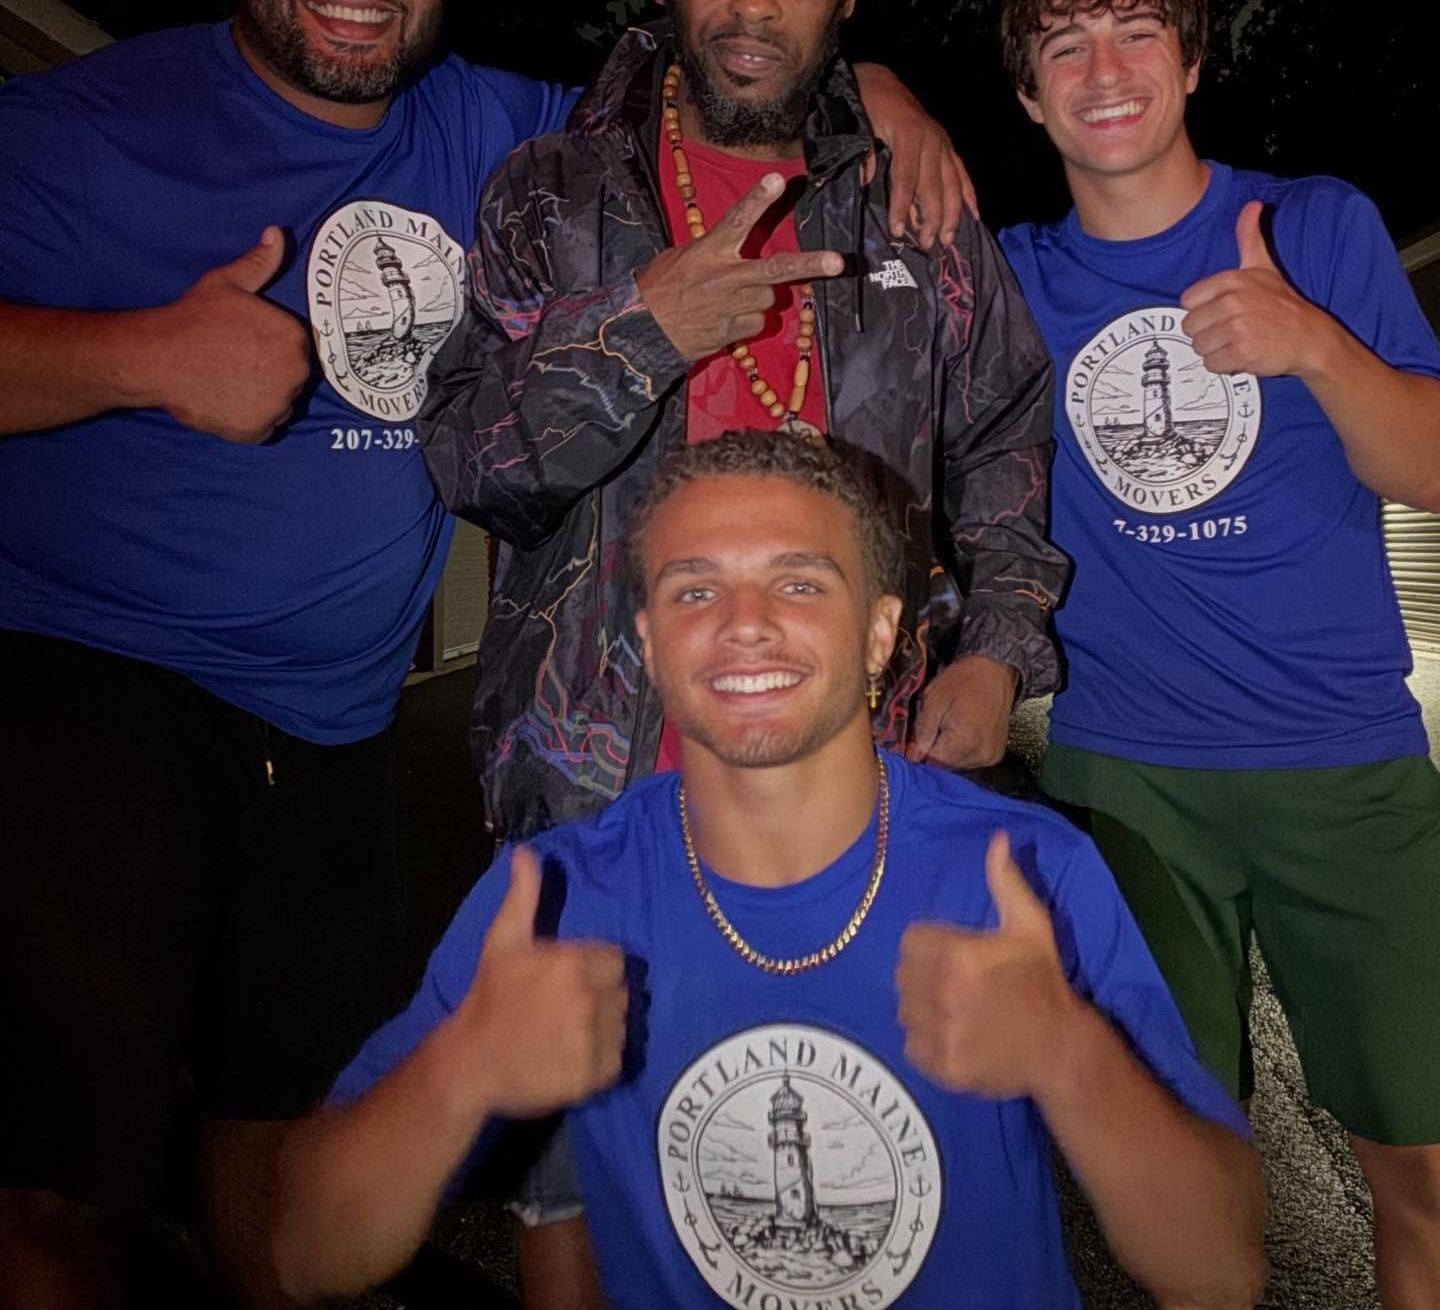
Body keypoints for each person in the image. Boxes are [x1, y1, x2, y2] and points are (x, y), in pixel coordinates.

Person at [0, 0, 964, 1310]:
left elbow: (737, 68)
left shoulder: (505, 135)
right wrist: (134, 357)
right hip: (93, 686)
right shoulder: (70, 125)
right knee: (63, 1169)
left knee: (287, 1119)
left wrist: (886, 94)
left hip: (328, 730)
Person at [274, 430, 1266, 1309]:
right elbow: (308, 1251)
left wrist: (1070, 1055)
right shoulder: (562, 893)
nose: (745, 621)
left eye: (799, 581)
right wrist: (462, 1069)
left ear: (881, 630)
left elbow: (1217, 1269)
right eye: (695, 587)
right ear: (651, 641)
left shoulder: (1022, 873)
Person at [420, 0, 1066, 842]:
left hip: (857, 779)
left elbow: (1004, 435)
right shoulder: (550, 194)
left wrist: (996, 649)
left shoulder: (912, 204)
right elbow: (466, 463)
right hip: (597, 794)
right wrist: (640, 332)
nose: (753, 6)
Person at [999, 0, 1440, 1307]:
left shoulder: (1313, 226)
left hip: (1344, 760)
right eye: (1064, 46)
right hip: (1129, 779)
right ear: (1028, 96)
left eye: (1137, 33)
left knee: (1419, 1166)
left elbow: (1426, 461)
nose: (1105, 70)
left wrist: (1311, 342)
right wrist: (885, 92)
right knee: (1177, 1184)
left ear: (1193, 61)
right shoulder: (1008, 280)